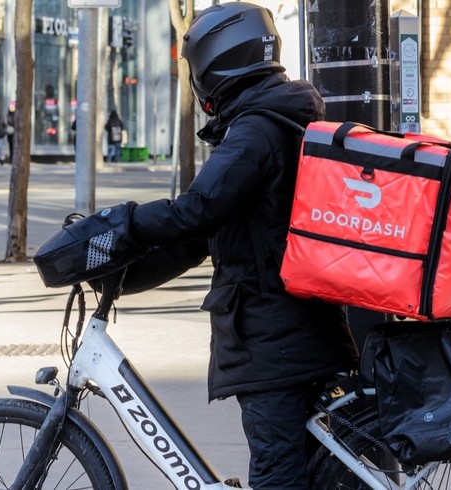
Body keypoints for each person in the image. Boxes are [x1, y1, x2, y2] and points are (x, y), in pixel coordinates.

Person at [126, 4, 357, 488]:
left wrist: (122, 222)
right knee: (307, 472)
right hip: (301, 331)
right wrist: (126, 271)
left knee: (277, 476)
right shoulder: (280, 117)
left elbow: (199, 209)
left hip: (274, 344)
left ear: (216, 65)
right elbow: (212, 231)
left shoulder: (254, 130)